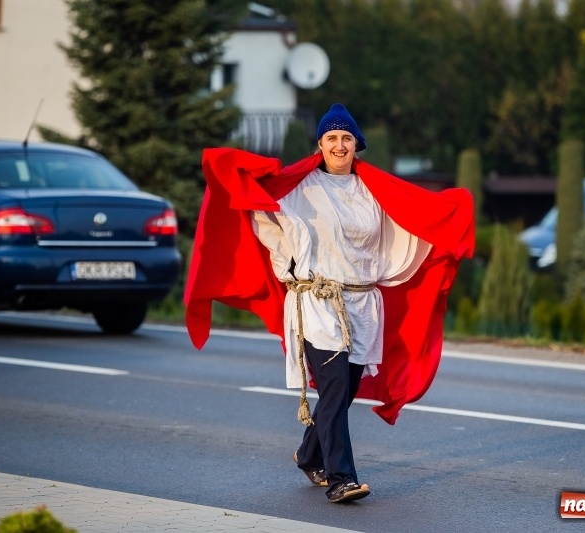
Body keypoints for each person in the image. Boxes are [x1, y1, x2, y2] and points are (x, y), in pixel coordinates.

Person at [184, 103, 474, 504]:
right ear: (319, 144)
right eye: (331, 138)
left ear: (357, 144)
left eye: (347, 138)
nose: (339, 145)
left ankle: (309, 454)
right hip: (317, 302)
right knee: (336, 384)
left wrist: (449, 216)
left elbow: (407, 225)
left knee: (345, 390)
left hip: (362, 302)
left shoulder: (373, 192)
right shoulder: (299, 188)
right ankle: (341, 478)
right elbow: (262, 210)